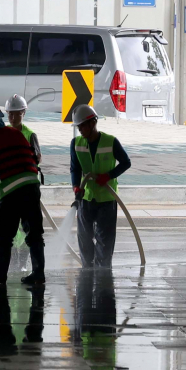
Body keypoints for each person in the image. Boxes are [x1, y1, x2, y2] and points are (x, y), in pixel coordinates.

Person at [0, 98, 45, 286]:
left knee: (2, 237)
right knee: (34, 233)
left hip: (11, 190)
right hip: (32, 185)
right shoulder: (15, 132)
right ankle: (38, 274)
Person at [70, 104, 132, 268]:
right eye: (78, 126)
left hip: (107, 199)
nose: (80, 130)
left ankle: (104, 275)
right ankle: (87, 273)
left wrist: (109, 176)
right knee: (84, 238)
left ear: (92, 123)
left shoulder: (110, 142)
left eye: (82, 125)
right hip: (86, 197)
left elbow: (126, 162)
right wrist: (76, 186)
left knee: (105, 240)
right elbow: (75, 168)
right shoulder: (76, 143)